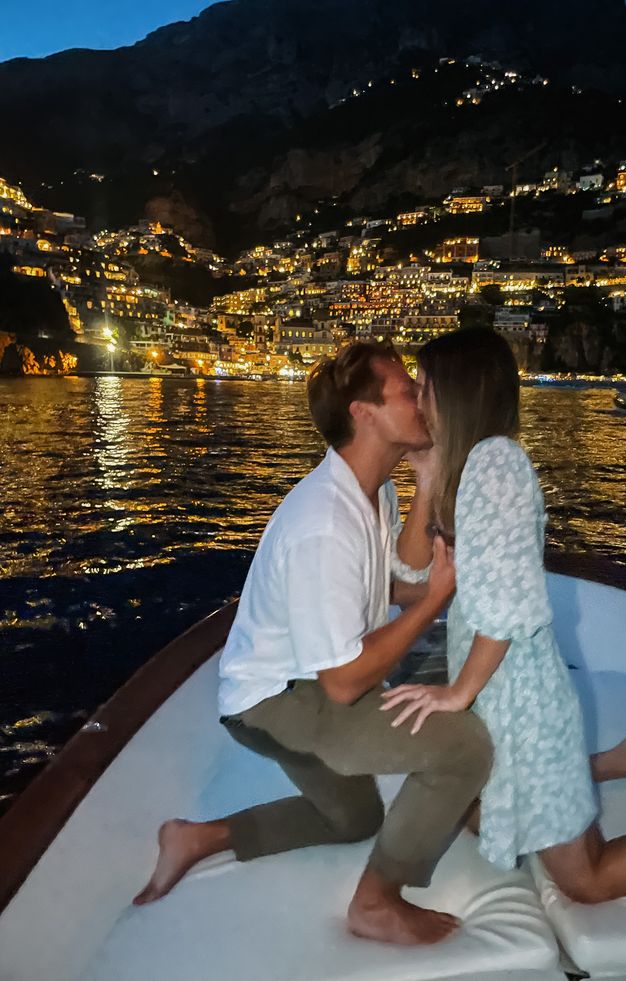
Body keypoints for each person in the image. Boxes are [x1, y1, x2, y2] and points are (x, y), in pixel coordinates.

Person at [133, 340, 493, 945]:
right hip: (274, 701)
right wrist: (435, 599)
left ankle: (198, 837)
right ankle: (377, 901)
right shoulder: (323, 523)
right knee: (465, 744)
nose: (423, 399)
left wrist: (427, 481)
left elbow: (396, 580)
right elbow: (346, 680)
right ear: (365, 412)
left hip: (305, 679)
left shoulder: (372, 489)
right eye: (409, 391)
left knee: (355, 818)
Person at [383, 327, 626, 904]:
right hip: (499, 691)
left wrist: (457, 695)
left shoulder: (495, 466)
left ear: (458, 391)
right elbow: (414, 578)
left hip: (523, 703)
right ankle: (623, 758)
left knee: (584, 880)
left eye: (425, 385)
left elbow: (507, 607)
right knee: (473, 809)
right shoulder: (464, 468)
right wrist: (424, 478)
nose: (418, 398)